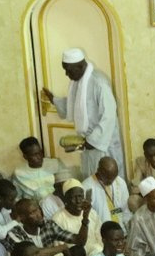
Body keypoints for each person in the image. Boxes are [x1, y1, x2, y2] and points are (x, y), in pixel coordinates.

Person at [44, 48, 123, 176]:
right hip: (88, 142)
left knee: (107, 179)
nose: (66, 74)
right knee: (91, 177)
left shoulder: (99, 82)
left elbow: (109, 116)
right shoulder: (79, 81)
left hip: (103, 143)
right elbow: (74, 104)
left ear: (80, 66)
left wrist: (94, 140)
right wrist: (54, 100)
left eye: (68, 70)